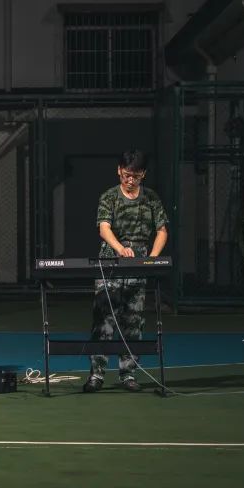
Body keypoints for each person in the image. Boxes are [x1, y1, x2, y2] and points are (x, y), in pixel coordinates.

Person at [84, 150, 168, 393]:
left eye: (136, 176)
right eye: (127, 175)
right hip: (111, 260)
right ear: (119, 170)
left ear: (143, 174)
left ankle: (128, 374)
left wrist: (152, 259)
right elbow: (104, 228)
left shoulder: (151, 198)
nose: (130, 180)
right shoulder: (109, 197)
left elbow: (162, 230)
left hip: (138, 261)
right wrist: (120, 248)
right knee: (104, 319)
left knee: (133, 320)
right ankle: (96, 375)